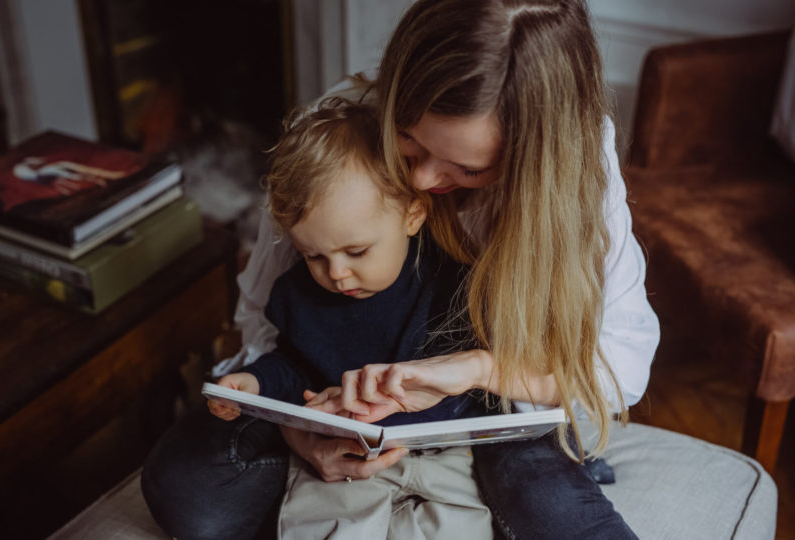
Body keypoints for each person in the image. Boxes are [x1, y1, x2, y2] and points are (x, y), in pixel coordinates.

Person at [142, 1, 660, 538]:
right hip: (332, 397)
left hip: (486, 402)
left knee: (547, 497)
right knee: (189, 492)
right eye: (409, 139)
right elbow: (271, 320)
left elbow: (617, 368)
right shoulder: (341, 128)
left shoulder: (576, 175)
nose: (422, 182)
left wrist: (479, 369)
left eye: (468, 167)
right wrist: (303, 435)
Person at [207, 99, 494, 539]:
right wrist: (252, 385)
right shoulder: (299, 295)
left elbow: (466, 389)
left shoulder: (450, 283)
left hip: (440, 454)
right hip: (342, 458)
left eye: (356, 252)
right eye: (314, 255)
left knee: (461, 526)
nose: (336, 274)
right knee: (320, 525)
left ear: (413, 215)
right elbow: (292, 365)